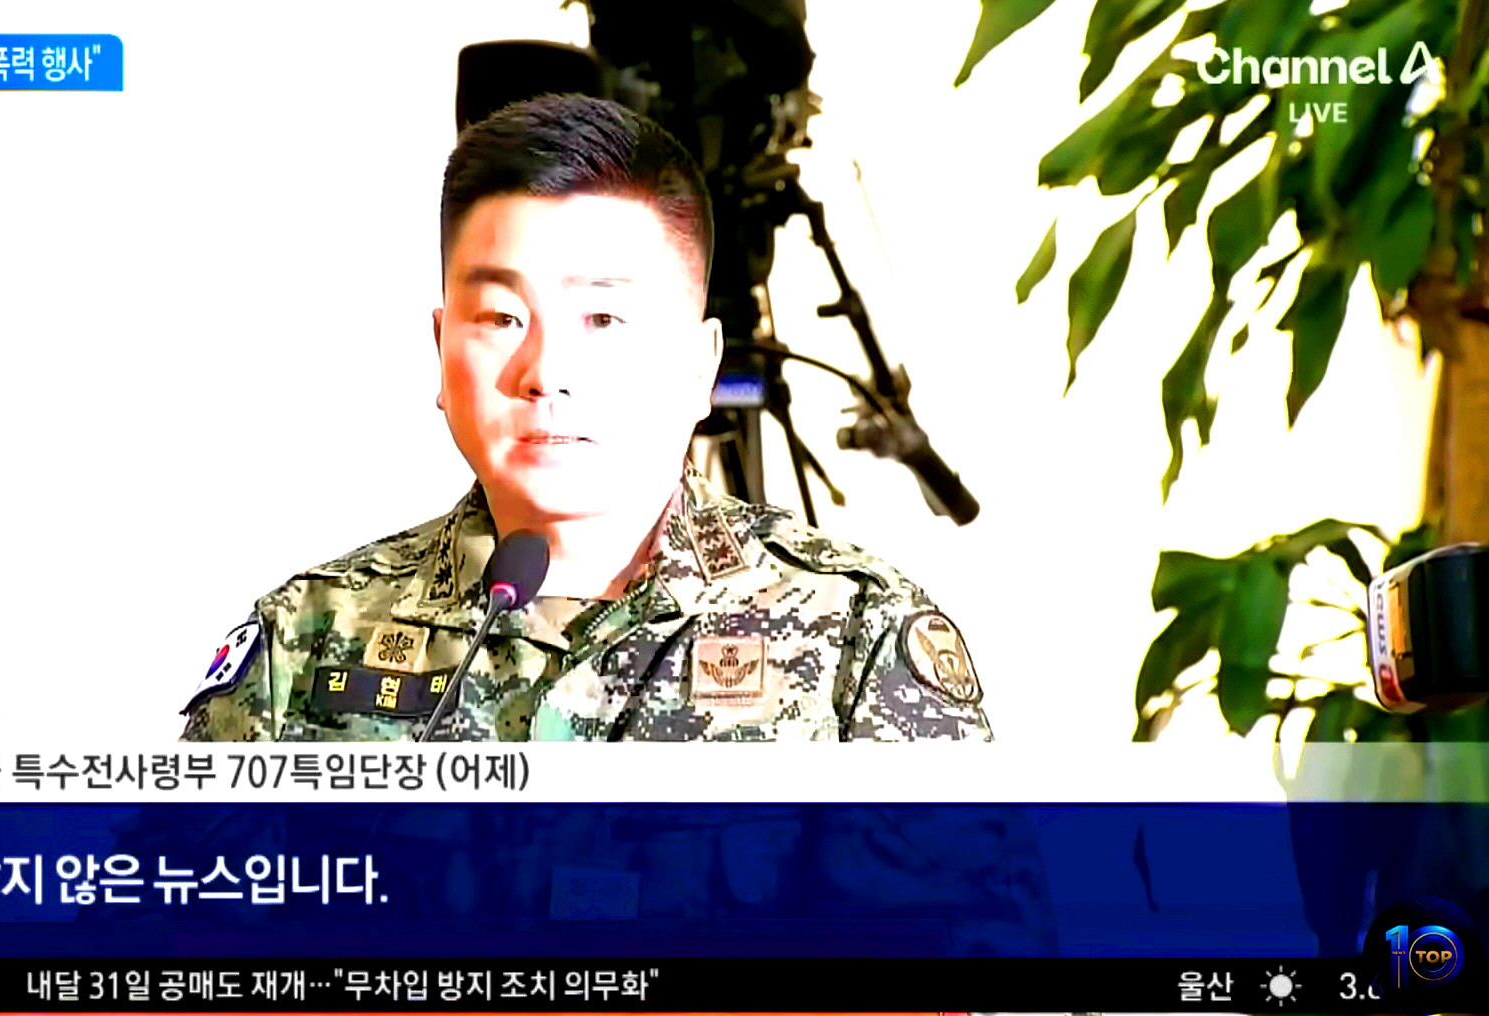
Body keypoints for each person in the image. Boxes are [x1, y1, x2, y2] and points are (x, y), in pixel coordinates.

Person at [180, 93, 989, 742]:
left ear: (700, 365)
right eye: (501, 318)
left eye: (602, 319)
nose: (545, 373)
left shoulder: (858, 640)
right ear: (440, 347)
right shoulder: (302, 642)